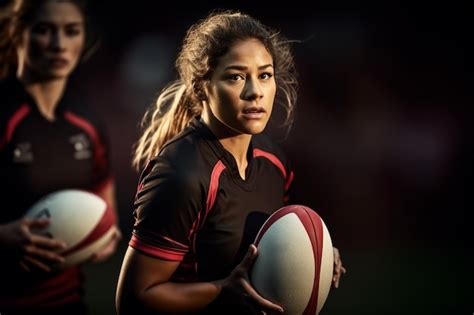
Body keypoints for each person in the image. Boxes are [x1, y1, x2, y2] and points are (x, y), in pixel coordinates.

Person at [116, 11, 345, 314]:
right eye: (236, 77)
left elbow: (269, 248)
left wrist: (313, 257)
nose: (255, 92)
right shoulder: (181, 173)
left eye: (265, 75)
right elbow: (134, 300)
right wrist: (221, 290)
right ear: (203, 86)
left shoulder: (274, 163)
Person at [0, 0, 121, 314]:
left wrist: (104, 235)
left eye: (71, 31)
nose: (58, 44)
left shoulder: (88, 124)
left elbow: (106, 213)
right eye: (44, 30)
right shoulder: (3, 116)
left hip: (69, 303)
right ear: (18, 32)